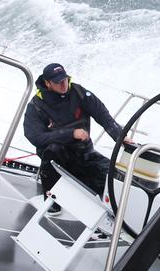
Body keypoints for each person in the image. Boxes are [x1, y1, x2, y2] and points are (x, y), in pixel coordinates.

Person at [23, 63, 131, 215]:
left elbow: (103, 116)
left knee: (114, 177)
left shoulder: (79, 93)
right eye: (57, 82)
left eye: (65, 79)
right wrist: (70, 134)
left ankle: (116, 212)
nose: (63, 84)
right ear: (47, 83)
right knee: (53, 150)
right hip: (56, 154)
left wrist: (121, 137)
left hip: (83, 152)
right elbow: (35, 137)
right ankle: (51, 198)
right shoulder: (36, 105)